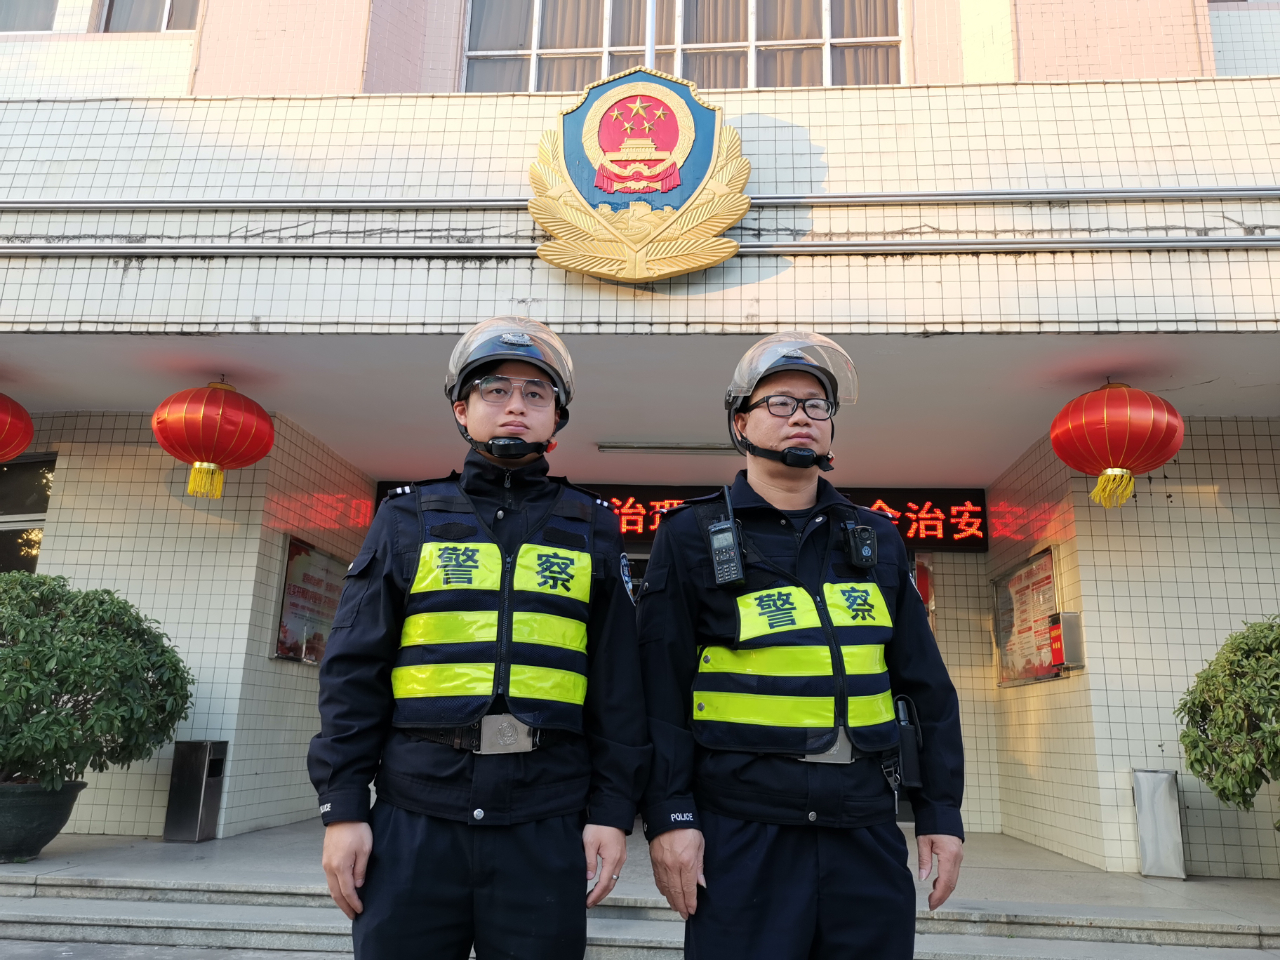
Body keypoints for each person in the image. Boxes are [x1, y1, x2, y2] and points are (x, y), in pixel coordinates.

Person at [308, 316, 651, 960]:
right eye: (495, 390)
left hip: (545, 817)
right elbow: (353, 671)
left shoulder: (592, 527)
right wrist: (344, 807)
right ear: (462, 410)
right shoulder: (406, 517)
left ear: (557, 418)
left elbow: (619, 685)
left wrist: (612, 810)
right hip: (415, 813)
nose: (515, 405)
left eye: (535, 394)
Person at [637, 331, 965, 960]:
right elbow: (659, 689)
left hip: (864, 824)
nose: (802, 418)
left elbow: (926, 686)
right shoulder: (691, 535)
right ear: (741, 423)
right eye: (780, 404)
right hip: (743, 828)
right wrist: (670, 815)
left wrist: (940, 813)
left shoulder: (876, 538)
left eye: (817, 406)